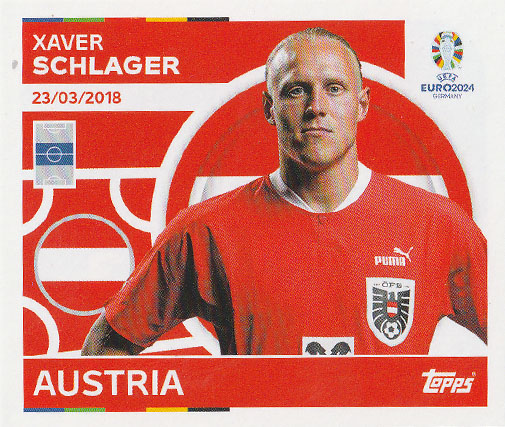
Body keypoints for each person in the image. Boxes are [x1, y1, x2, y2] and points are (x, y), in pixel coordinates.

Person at [82, 28, 486, 356]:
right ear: (269, 108)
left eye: (335, 88)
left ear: (362, 105)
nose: (316, 106)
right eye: (296, 90)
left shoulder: (438, 223)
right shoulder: (207, 229)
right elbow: (106, 348)